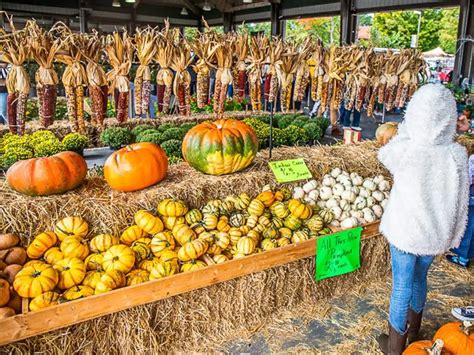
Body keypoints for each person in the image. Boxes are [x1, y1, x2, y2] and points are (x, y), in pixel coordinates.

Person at [376, 84, 469, 354]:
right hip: (434, 234)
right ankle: (415, 334)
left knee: (401, 286)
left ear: (414, 114)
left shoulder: (406, 150)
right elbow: (461, 200)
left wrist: (408, 127)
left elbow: (386, 152)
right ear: (450, 117)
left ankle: (395, 347)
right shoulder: (456, 154)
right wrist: (452, 235)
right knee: (420, 280)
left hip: (405, 231)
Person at [0, 61, 8, 125]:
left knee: (3, 110)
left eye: (3, 62)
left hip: (4, 92)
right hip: (3, 92)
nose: (1, 64)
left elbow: (5, 81)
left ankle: (5, 124)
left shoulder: (5, 70)